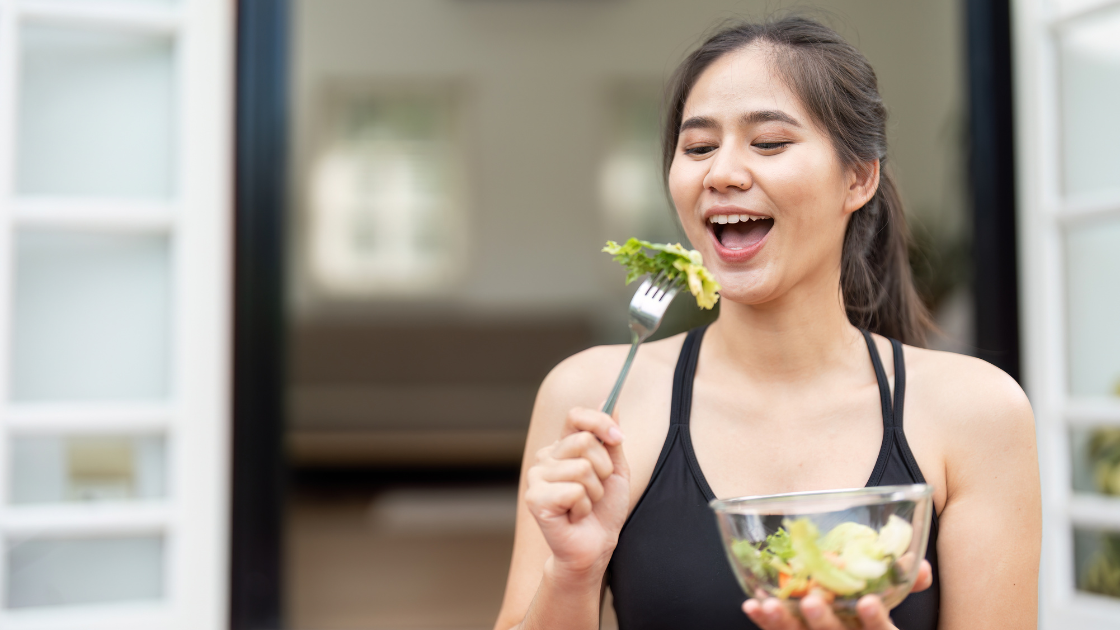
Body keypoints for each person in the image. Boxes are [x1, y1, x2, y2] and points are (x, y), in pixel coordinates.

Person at [494, 16, 1040, 630]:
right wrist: (571, 573)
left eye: (770, 143)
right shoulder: (594, 400)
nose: (720, 173)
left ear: (859, 178)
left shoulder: (977, 414)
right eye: (698, 148)